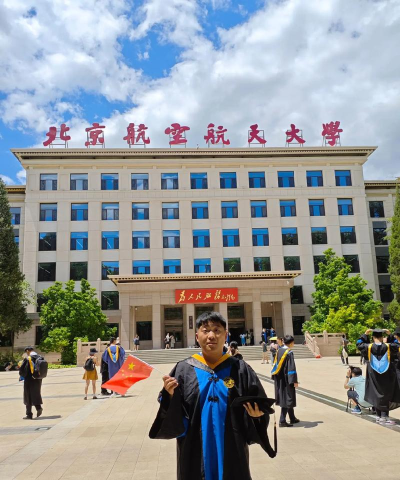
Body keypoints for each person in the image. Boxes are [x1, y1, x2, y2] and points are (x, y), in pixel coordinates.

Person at [149, 311, 276, 480]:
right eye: (205, 330)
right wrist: (170, 396)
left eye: (217, 330)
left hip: (232, 446)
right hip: (194, 448)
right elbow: (173, 414)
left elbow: (258, 405)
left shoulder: (240, 369)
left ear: (226, 335)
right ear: (197, 336)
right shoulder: (184, 369)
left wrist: (257, 416)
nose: (211, 335)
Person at [357, 328, 400, 425]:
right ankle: (384, 417)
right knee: (385, 393)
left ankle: (378, 416)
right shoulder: (389, 346)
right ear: (382, 337)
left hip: (373, 374)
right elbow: (397, 344)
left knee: (375, 393)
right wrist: (390, 335)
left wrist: (365, 334)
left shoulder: (368, 347)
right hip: (387, 374)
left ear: (373, 337)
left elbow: (359, 344)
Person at [272, 335, 300, 427]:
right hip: (287, 379)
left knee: (287, 397)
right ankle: (282, 420)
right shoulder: (289, 352)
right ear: (291, 343)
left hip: (279, 378)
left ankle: (292, 418)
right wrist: (294, 380)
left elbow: (275, 364)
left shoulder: (279, 350)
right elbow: (291, 368)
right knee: (287, 398)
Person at [18, 347, 43, 420]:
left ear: (28, 351)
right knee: (36, 393)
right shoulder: (40, 357)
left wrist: (21, 376)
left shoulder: (28, 358)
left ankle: (29, 414)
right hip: (38, 379)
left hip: (29, 380)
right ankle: (38, 408)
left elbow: (23, 370)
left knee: (28, 396)